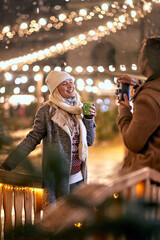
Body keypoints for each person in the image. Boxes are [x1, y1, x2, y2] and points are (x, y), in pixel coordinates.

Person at [0, 70, 96, 205]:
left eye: (71, 82)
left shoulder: (79, 110)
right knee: (59, 220)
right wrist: (9, 164)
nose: (70, 86)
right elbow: (31, 139)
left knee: (79, 220)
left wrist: (89, 119)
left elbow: (90, 142)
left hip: (80, 178)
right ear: (55, 89)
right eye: (64, 83)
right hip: (59, 180)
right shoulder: (47, 112)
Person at [117, 36, 160, 173]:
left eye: (141, 54)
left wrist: (124, 111)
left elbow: (133, 142)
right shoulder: (152, 91)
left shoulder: (146, 99)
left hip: (151, 176)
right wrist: (140, 86)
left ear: (146, 60)